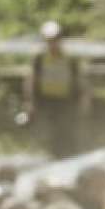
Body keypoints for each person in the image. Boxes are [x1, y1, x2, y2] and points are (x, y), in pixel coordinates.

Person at [24, 21, 89, 159]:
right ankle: (52, 156)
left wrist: (84, 98)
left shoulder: (70, 58)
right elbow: (32, 80)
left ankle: (67, 156)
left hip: (66, 101)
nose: (53, 43)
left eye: (55, 39)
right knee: (49, 132)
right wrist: (30, 101)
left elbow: (79, 79)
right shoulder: (40, 58)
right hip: (46, 102)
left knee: (66, 131)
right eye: (49, 40)